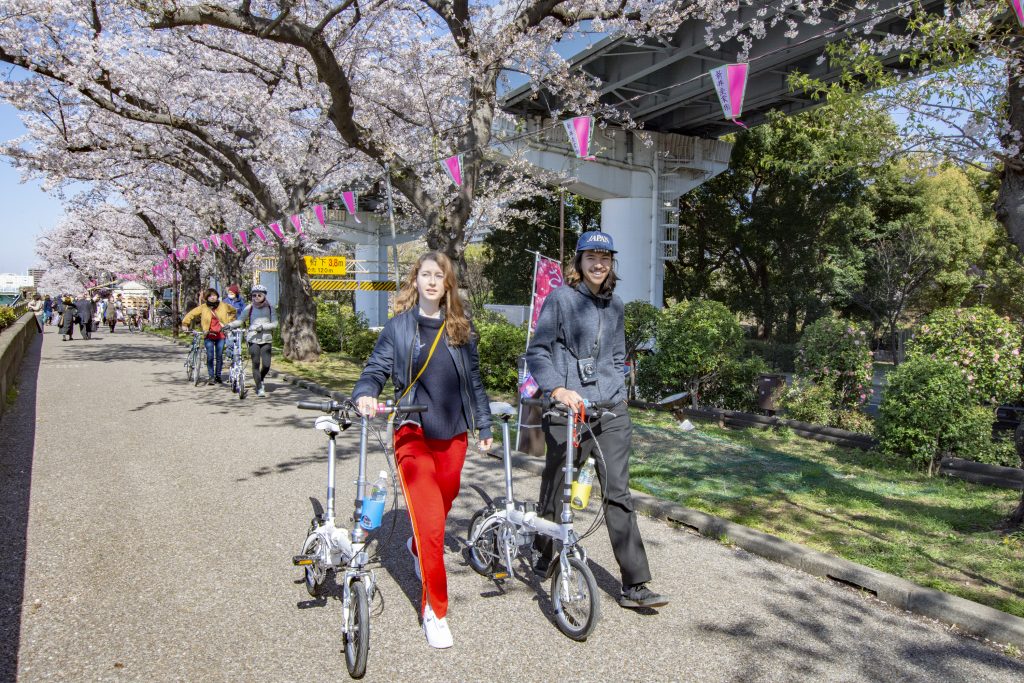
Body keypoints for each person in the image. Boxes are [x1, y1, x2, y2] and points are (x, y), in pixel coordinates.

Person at [352, 251, 492, 650]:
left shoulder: (461, 329)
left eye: (439, 276)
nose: (432, 281)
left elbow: (475, 383)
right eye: (425, 274)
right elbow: (375, 369)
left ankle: (416, 547)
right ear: (416, 280)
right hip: (412, 432)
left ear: (448, 284)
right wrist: (365, 394)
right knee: (432, 522)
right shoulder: (398, 327)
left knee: (443, 504)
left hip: (454, 435)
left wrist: (483, 424)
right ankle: (435, 609)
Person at [525, 231, 668, 610]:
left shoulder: (616, 305)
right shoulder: (560, 299)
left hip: (611, 412)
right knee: (557, 485)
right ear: (579, 261)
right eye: (591, 256)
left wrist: (618, 392)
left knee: (618, 492)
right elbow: (537, 352)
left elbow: (618, 355)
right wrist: (557, 389)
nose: (598, 263)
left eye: (605, 257)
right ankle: (544, 549)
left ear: (611, 263)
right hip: (567, 410)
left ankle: (635, 584)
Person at [225, 284, 277, 397]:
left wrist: (263, 327)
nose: (256, 297)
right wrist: (229, 325)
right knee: (256, 363)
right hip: (252, 339)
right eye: (254, 295)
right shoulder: (250, 307)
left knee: (267, 365)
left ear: (264, 296)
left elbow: (275, 324)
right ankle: (259, 388)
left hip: (266, 338)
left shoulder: (270, 307)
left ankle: (260, 379)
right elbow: (240, 320)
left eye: (259, 295)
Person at [181, 288, 237, 385]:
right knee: (210, 356)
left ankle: (218, 376)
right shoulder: (203, 307)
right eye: (210, 296)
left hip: (221, 335)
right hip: (208, 335)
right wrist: (185, 324)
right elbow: (191, 314)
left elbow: (233, 311)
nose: (212, 297)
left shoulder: (223, 306)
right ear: (206, 297)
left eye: (214, 295)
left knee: (219, 356)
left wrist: (230, 321)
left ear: (217, 296)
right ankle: (211, 377)